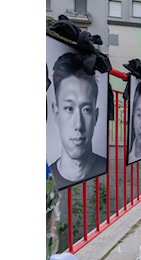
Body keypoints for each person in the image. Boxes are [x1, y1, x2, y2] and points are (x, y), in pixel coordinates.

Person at [50, 52, 107, 189]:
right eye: (69, 108)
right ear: (56, 114)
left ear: (96, 116)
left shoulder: (105, 165)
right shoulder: (47, 177)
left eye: (86, 109)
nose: (79, 125)